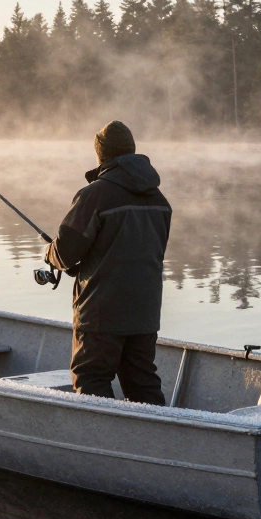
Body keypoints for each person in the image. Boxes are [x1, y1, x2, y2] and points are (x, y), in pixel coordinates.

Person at [44, 120, 171, 404]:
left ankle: (99, 442)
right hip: (145, 312)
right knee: (142, 383)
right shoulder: (159, 199)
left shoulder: (94, 196)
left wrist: (49, 253)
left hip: (101, 313)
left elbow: (65, 253)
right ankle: (154, 441)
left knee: (91, 378)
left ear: (101, 154)